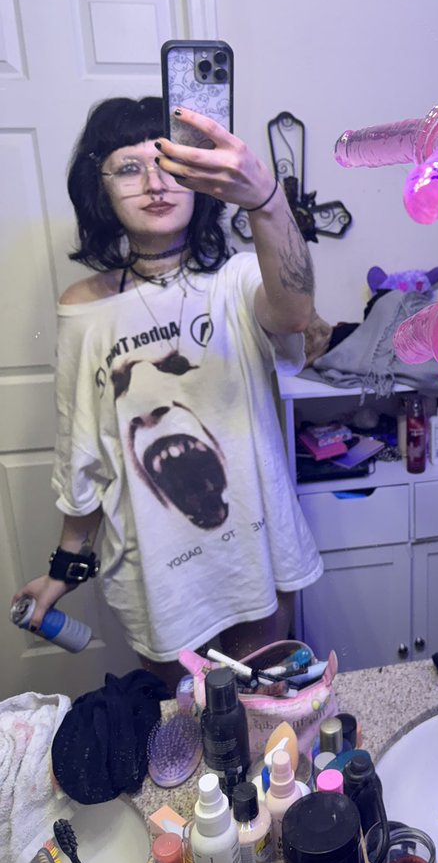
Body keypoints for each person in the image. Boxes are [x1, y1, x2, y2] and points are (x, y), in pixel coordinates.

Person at [10, 97, 323, 691]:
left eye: (169, 166)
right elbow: (82, 449)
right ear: (101, 189)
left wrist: (266, 199)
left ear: (199, 180)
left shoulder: (236, 280)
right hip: (158, 581)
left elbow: (294, 312)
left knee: (264, 716)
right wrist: (64, 568)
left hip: (254, 561)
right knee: (183, 728)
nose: (154, 184)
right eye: (129, 168)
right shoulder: (84, 308)